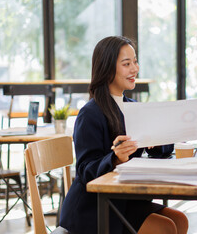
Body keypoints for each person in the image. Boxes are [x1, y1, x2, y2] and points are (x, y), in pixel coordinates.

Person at [60, 36, 189, 234]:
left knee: (179, 220)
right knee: (165, 228)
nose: (135, 69)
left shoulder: (133, 107)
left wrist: (156, 140)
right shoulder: (90, 113)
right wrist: (115, 158)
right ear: (107, 68)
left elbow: (161, 151)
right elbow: (85, 170)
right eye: (126, 64)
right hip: (92, 208)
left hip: (123, 200)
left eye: (135, 62)